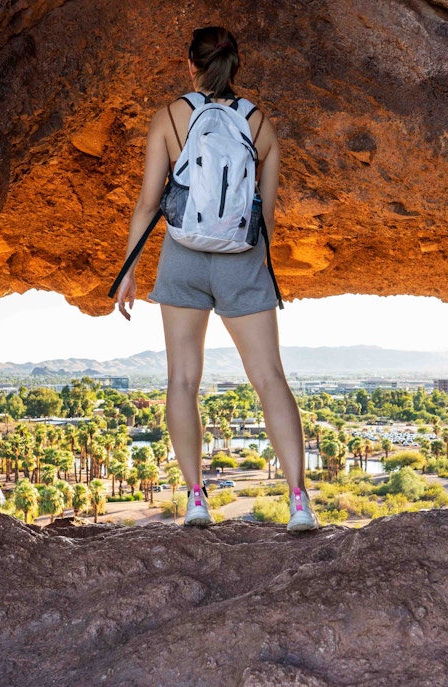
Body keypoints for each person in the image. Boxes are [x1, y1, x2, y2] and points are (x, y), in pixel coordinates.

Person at [113, 26, 318, 532]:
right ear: (236, 66)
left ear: (191, 66)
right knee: (270, 378)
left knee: (183, 380)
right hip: (242, 262)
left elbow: (148, 202)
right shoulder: (260, 125)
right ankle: (298, 501)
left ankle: (196, 498)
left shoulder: (169, 118)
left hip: (182, 257)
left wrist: (128, 272)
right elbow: (263, 217)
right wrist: (247, 263)